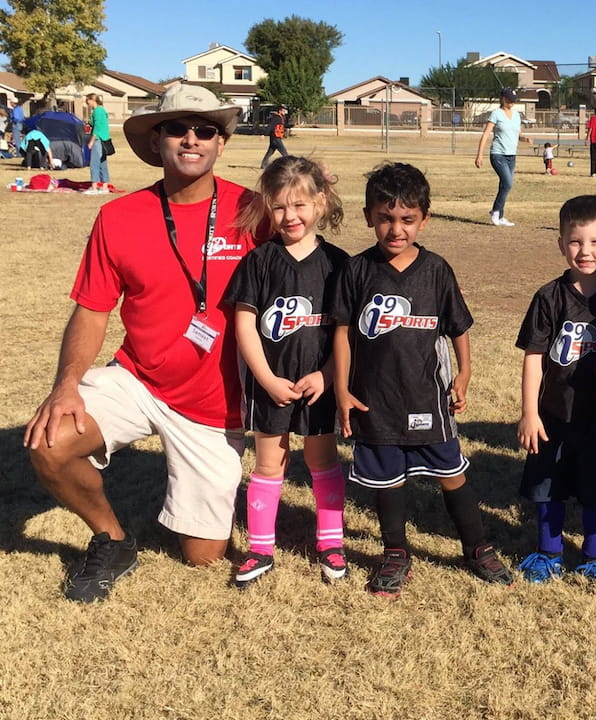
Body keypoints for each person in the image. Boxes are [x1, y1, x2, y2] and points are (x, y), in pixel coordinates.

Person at [22, 84, 254, 603]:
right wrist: (65, 386)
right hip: (139, 378)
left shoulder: (254, 213)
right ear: (155, 142)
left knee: (202, 555)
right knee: (51, 441)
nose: (191, 138)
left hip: (217, 405)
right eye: (176, 128)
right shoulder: (119, 217)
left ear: (221, 143)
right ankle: (113, 538)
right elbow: (92, 308)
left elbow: (312, 264)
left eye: (206, 129)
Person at [330, 162, 514, 597]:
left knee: (452, 473)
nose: (396, 229)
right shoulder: (356, 271)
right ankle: (395, 552)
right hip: (374, 400)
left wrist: (465, 373)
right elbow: (340, 331)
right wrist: (341, 389)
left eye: (407, 219)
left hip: (427, 399)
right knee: (386, 481)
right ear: (368, 217)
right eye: (385, 218)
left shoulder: (435, 269)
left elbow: (458, 327)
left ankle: (476, 546)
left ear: (424, 219)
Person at [224, 156, 350, 589]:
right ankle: (260, 548)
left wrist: (327, 376)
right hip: (272, 385)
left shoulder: (338, 264)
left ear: (320, 202)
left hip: (319, 384)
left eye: (299, 205)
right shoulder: (260, 261)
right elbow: (244, 325)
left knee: (322, 459)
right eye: (279, 207)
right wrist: (265, 379)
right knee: (269, 463)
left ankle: (331, 542)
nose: (289, 216)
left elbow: (344, 333)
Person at [515, 195, 596, 584]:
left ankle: (595, 554)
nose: (585, 251)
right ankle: (548, 552)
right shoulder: (549, 297)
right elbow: (534, 356)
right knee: (547, 483)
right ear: (561, 243)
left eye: (595, 242)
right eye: (575, 241)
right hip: (554, 412)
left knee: (595, 487)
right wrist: (530, 413)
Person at [475, 88, 531, 226]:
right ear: (503, 99)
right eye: (509, 100)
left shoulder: (517, 115)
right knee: (508, 183)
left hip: (512, 155)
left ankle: (500, 216)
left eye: (514, 100)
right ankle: (495, 211)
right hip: (498, 154)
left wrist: (525, 139)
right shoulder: (496, 114)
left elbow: (518, 133)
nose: (512, 103)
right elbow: (486, 134)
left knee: (504, 185)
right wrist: (479, 155)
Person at [85, 93, 111, 194]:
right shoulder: (102, 110)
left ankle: (94, 187)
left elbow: (97, 127)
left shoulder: (98, 111)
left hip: (98, 139)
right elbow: (94, 123)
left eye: (88, 101)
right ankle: (104, 186)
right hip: (105, 139)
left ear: (92, 100)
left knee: (94, 162)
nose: (87, 103)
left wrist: (91, 141)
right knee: (102, 162)